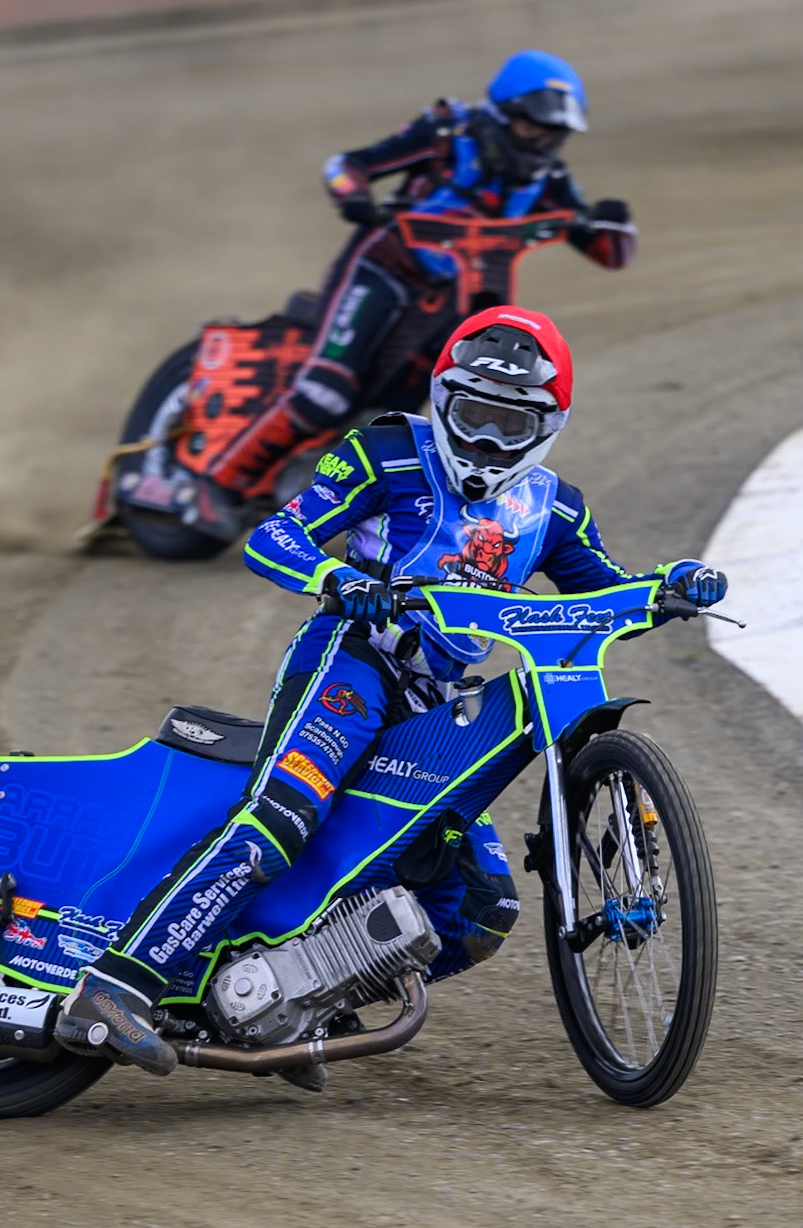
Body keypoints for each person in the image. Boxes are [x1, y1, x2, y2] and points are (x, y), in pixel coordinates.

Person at [58, 306, 728, 1085]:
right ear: (441, 398)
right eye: (472, 414)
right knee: (279, 821)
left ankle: (300, 1000)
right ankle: (114, 987)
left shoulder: (556, 508)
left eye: (510, 424)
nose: (485, 439)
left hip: (434, 701)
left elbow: (604, 596)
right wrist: (335, 577)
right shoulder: (385, 452)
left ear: (548, 425)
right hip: (351, 661)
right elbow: (275, 536)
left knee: (479, 910)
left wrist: (670, 587)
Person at [188, 49, 635, 536]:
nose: (543, 141)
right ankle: (216, 483)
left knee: (400, 413)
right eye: (535, 127)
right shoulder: (448, 134)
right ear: (504, 111)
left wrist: (612, 223)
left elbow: (610, 254)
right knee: (325, 392)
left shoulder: (550, 178)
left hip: (454, 300)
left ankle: (342, 499)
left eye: (555, 133)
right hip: (383, 269)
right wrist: (354, 196)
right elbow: (346, 166)